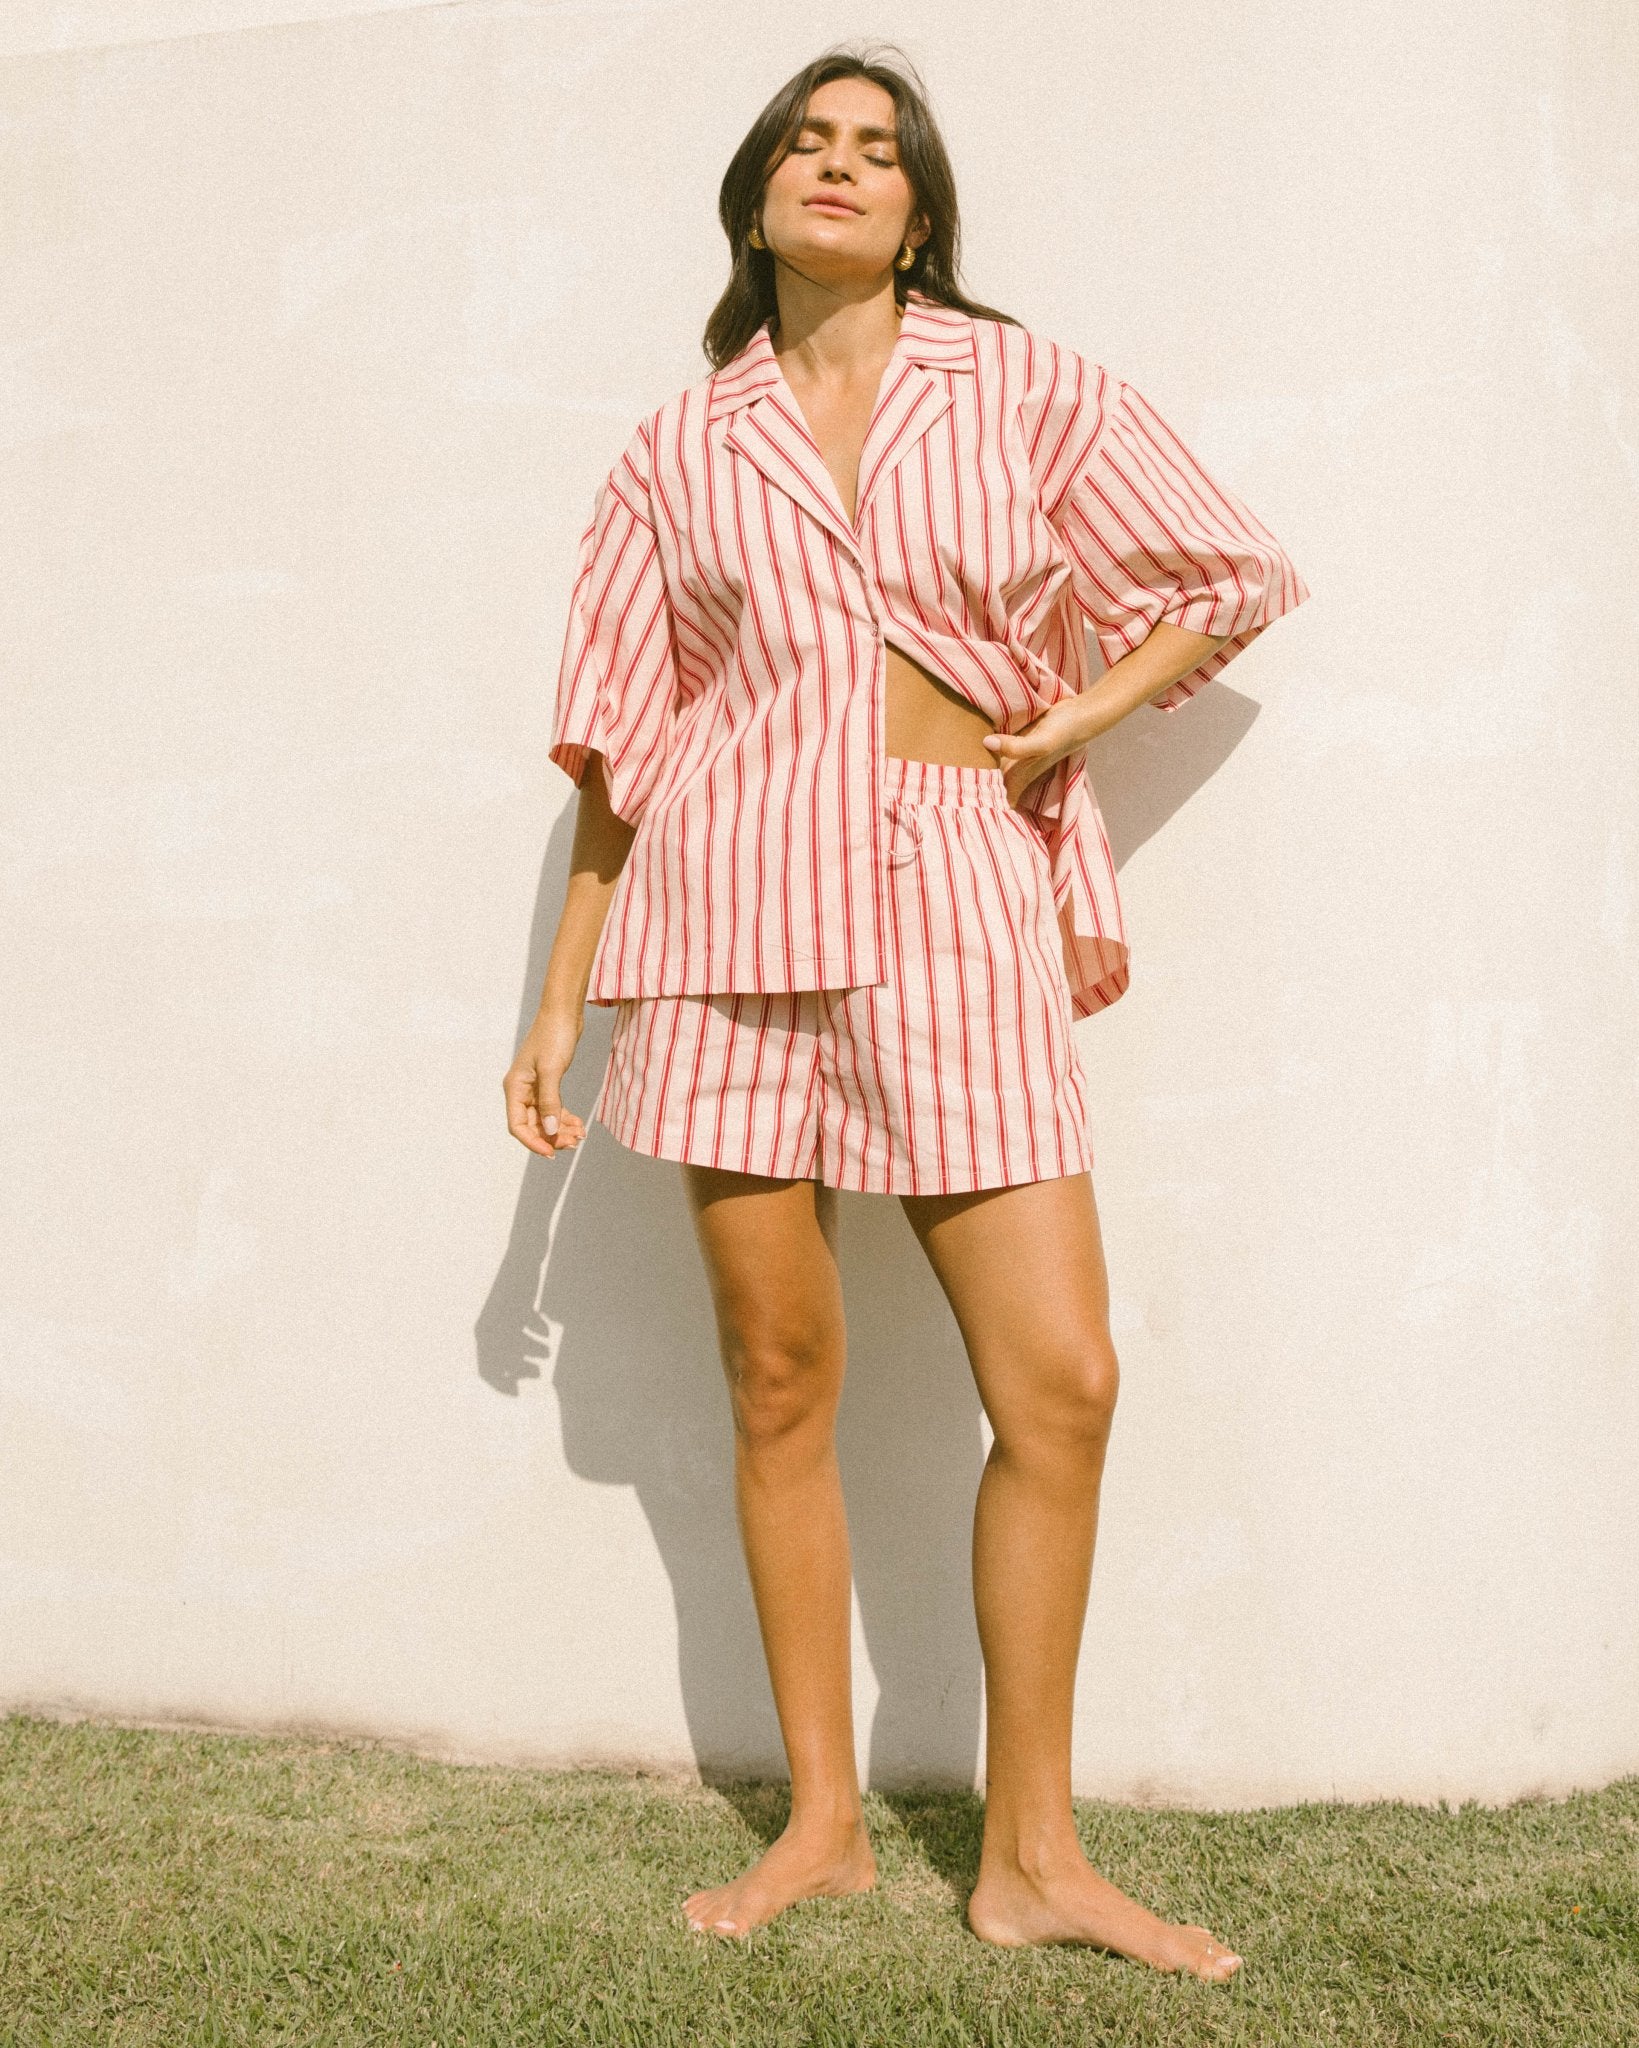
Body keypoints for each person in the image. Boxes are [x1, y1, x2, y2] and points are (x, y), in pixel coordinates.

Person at [505, 41, 1309, 1984]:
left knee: (1062, 1380)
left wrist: (1074, 717)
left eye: (877, 148)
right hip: (723, 917)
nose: (840, 166)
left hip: (954, 892)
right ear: (757, 194)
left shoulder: (1023, 387)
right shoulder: (678, 449)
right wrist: (557, 1002)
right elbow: (623, 743)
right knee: (779, 1380)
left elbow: (1231, 570)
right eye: (808, 140)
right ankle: (824, 1823)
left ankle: (1032, 1852)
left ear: (921, 210)